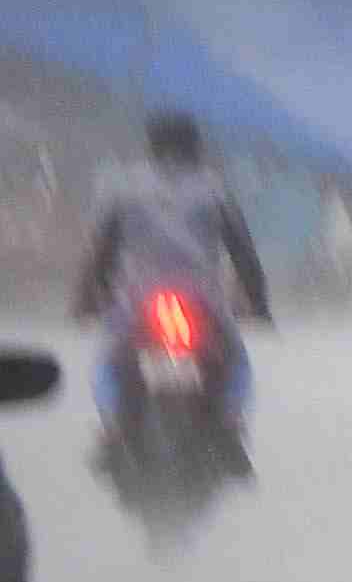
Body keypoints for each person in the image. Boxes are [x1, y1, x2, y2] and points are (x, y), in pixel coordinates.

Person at [72, 110, 271, 464]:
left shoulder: (123, 186)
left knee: (109, 359)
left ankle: (114, 425)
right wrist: (259, 303)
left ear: (151, 144)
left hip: (136, 298)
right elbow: (243, 253)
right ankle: (228, 423)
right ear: (195, 146)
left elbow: (99, 252)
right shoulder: (215, 188)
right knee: (238, 361)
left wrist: (86, 300)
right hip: (202, 299)